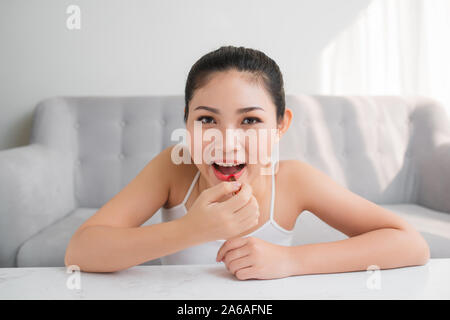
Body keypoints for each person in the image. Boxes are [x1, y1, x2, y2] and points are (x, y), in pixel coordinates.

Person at [65, 46, 429, 280]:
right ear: (188, 125)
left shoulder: (293, 180)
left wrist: (290, 262)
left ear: (280, 126)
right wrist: (193, 229)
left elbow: (410, 243)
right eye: (207, 120)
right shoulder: (174, 168)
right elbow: (81, 251)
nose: (227, 141)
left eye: (250, 121)